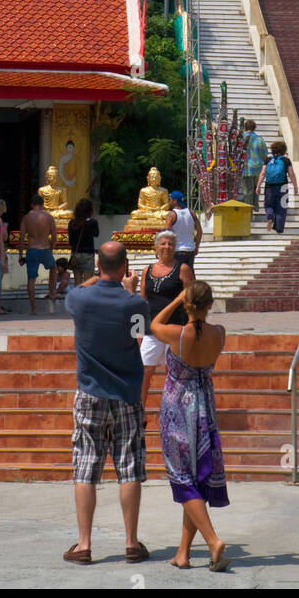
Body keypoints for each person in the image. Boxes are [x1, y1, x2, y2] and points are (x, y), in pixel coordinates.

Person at [63, 240, 152, 565]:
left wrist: (97, 279)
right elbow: (139, 338)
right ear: (125, 266)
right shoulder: (135, 304)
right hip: (127, 393)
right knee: (128, 467)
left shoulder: (80, 299)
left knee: (85, 467)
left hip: (89, 392)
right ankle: (131, 542)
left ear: (98, 265)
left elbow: (77, 291)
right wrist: (128, 291)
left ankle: (84, 544)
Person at [150, 280, 229, 571]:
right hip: (205, 405)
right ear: (210, 305)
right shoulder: (220, 334)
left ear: (187, 304)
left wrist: (175, 301)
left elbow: (154, 323)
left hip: (178, 409)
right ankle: (183, 553)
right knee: (196, 477)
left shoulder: (177, 334)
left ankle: (212, 540)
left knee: (182, 476)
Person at [138, 230, 194, 412]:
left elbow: (193, 299)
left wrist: (193, 327)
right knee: (145, 370)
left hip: (176, 328)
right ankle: (139, 410)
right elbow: (141, 302)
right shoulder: (147, 270)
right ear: (156, 247)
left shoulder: (183, 269)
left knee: (176, 372)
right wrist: (137, 332)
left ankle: (177, 412)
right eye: (163, 243)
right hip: (151, 330)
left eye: (170, 244)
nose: (166, 247)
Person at [18, 192, 58, 315]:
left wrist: (20, 255)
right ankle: (52, 292)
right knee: (53, 267)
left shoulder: (26, 218)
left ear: (32, 205)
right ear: (42, 204)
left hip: (32, 249)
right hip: (45, 248)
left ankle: (33, 308)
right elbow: (55, 236)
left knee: (31, 280)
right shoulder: (48, 217)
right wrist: (51, 248)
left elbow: (21, 238)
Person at [256, 139, 298, 234]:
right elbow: (291, 174)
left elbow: (263, 173)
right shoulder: (286, 160)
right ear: (283, 150)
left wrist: (258, 186)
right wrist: (295, 186)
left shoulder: (268, 160)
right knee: (281, 207)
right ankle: (279, 229)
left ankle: (270, 217)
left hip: (269, 186)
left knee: (268, 205)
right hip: (283, 186)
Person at [68, 198, 100, 284]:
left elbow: (70, 241)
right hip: (88, 253)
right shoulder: (92, 222)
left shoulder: (72, 222)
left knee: (77, 281)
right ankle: (86, 297)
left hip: (75, 253)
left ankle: (77, 296)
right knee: (88, 281)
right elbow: (96, 234)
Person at [166, 191, 201, 270]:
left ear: (175, 201)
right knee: (190, 274)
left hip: (177, 250)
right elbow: (199, 231)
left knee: (178, 276)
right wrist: (197, 246)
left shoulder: (171, 215)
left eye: (170, 199)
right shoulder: (191, 213)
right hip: (190, 250)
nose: (168, 202)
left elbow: (166, 234)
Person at [240, 120, 268, 215]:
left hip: (246, 168)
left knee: (248, 191)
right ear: (254, 127)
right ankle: (255, 204)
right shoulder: (260, 139)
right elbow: (265, 155)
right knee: (256, 188)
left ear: (245, 127)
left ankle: (249, 212)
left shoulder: (241, 139)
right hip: (258, 168)